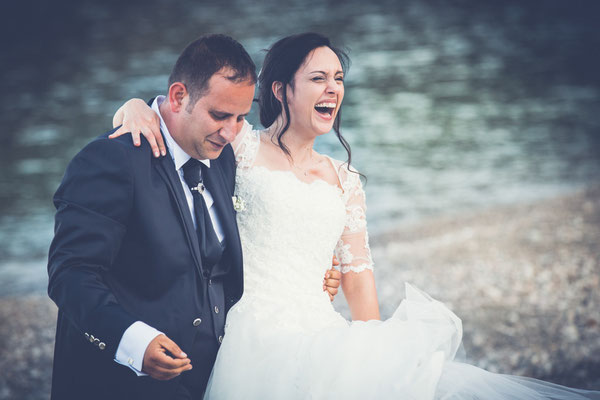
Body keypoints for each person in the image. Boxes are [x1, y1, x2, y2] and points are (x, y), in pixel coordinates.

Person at [113, 33, 600, 399]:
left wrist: (377, 348)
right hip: (250, 331)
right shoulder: (238, 146)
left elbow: (357, 275)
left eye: (339, 79)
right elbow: (182, 121)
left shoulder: (344, 178)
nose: (333, 90)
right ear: (280, 90)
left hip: (319, 328)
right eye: (319, 79)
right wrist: (134, 106)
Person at [48, 34, 341, 400]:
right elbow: (70, 273)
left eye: (240, 118)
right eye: (219, 115)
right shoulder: (112, 160)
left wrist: (317, 268)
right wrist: (132, 340)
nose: (230, 131)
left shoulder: (224, 160)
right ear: (177, 96)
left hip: (215, 378)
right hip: (122, 384)